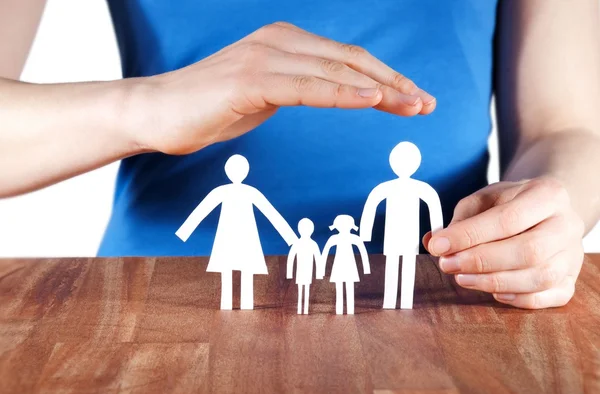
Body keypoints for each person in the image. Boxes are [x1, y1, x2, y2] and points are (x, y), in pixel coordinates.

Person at [2, 1, 600, 309]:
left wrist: (548, 209)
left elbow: (567, 126)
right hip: (160, 300)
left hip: (441, 297)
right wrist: (147, 105)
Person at [175, 154, 297, 310]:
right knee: (231, 268)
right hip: (230, 235)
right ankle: (230, 304)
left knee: (241, 268)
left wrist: (290, 237)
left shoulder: (232, 191)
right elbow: (202, 210)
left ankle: (242, 304)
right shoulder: (242, 192)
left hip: (243, 235)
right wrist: (290, 237)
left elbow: (270, 212)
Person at [360, 141, 443, 310]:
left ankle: (405, 301)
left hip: (410, 238)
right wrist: (364, 233)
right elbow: (371, 205)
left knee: (407, 267)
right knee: (392, 266)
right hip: (392, 236)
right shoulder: (388, 188)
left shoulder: (420, 188)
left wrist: (438, 235)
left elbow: (434, 205)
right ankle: (390, 301)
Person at [318, 215, 370, 315]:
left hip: (349, 266)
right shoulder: (334, 238)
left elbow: (363, 252)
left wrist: (366, 268)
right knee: (339, 290)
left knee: (349, 289)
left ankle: (350, 310)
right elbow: (324, 253)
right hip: (339, 266)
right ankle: (340, 310)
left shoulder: (354, 238)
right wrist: (320, 271)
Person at [287, 218, 322, 314]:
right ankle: (300, 308)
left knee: (306, 289)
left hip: (307, 271)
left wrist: (319, 274)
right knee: (301, 290)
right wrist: (289, 274)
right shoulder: (298, 244)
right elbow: (291, 258)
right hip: (301, 271)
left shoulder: (312, 244)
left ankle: (305, 309)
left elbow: (318, 259)